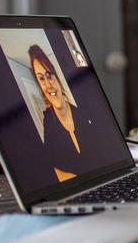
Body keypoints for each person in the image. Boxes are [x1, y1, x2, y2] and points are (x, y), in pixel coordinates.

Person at [28, 44, 94, 182]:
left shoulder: (84, 113)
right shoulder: (48, 121)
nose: (48, 84)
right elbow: (50, 166)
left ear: (57, 78)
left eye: (49, 76)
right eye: (41, 79)